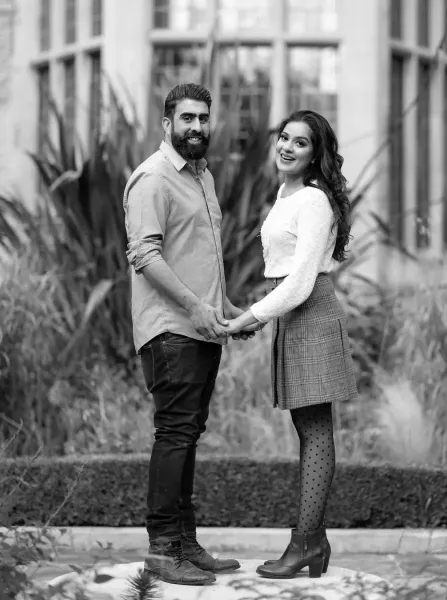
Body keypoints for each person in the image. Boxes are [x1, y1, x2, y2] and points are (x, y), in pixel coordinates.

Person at [123, 83, 252, 587]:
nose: (196, 127)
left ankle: (185, 543)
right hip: (170, 331)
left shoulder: (203, 177)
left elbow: (198, 258)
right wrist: (198, 309)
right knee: (174, 435)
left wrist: (227, 312)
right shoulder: (153, 179)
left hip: (200, 328)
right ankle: (162, 550)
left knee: (187, 437)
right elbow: (145, 254)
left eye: (203, 118)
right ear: (167, 123)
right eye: (187, 119)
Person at [224, 110, 358, 579]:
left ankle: (304, 544)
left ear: (315, 154)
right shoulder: (287, 193)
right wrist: (262, 317)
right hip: (294, 315)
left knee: (316, 430)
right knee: (308, 430)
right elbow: (287, 275)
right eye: (284, 137)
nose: (287, 147)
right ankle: (313, 542)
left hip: (311, 312)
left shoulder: (315, 201)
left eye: (300, 143)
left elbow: (301, 281)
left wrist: (253, 315)